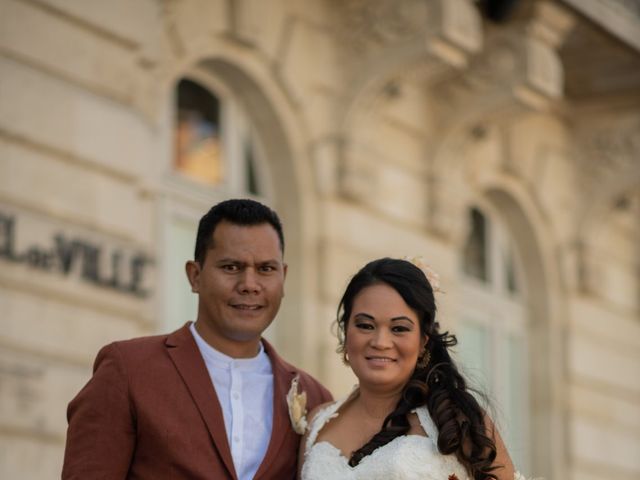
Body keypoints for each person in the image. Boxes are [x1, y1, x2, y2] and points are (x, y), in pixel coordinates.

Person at [62, 199, 332, 480]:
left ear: (283, 277)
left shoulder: (315, 399)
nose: (249, 285)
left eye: (265, 269)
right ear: (195, 276)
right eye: (231, 267)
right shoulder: (128, 370)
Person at [299, 257, 522, 480]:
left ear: (423, 341)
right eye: (365, 325)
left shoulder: (458, 422)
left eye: (398, 328)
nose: (380, 342)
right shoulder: (317, 423)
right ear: (346, 333)